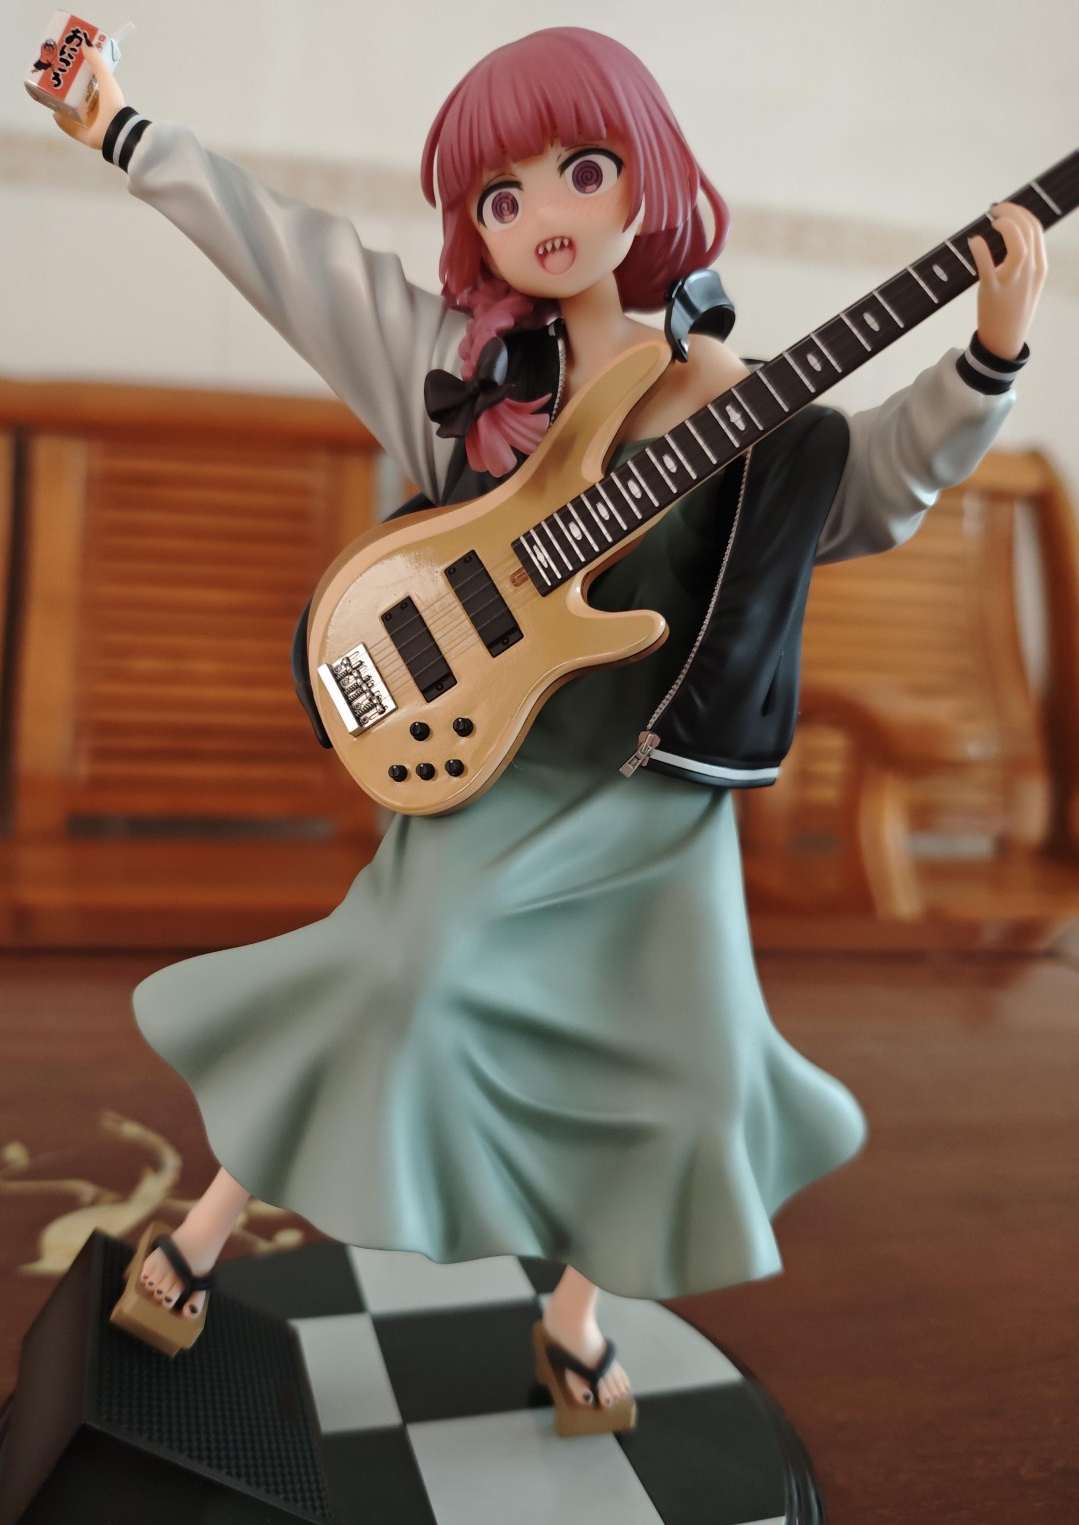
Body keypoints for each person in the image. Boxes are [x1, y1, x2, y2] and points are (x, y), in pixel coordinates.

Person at [55, 27, 1046, 1428]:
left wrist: (989, 355)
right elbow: (293, 262)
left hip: (655, 801)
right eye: (501, 196)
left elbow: (876, 485)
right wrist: (125, 131)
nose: (546, 215)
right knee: (398, 978)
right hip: (496, 772)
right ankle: (205, 1232)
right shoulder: (463, 370)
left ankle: (575, 1314)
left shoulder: (732, 400)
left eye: (585, 170)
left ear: (650, 183)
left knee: (691, 1070)